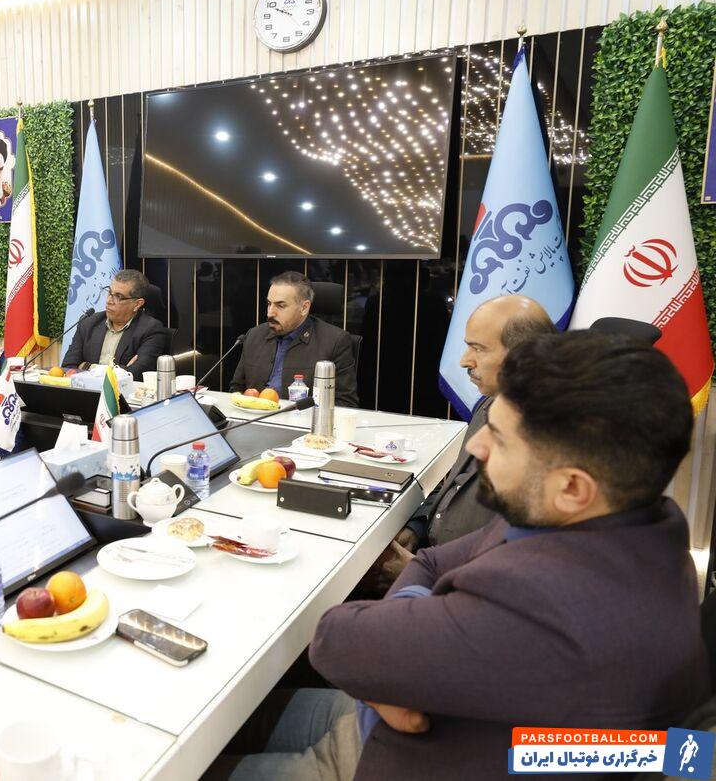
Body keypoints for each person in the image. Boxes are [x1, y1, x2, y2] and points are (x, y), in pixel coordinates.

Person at [215, 331, 707, 780]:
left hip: (396, 757)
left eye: (502, 439)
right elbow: (430, 563)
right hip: (391, 713)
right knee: (238, 718)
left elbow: (335, 641)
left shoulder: (545, 606)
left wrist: (398, 652)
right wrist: (403, 662)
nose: (478, 444)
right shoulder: (634, 522)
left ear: (573, 487)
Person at [367, 295, 557, 591]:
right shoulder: (490, 402)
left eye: (478, 348)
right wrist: (418, 526)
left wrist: (425, 577)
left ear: (523, 354)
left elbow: (519, 568)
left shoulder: (550, 435)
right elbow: (455, 480)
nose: (464, 361)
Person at [229, 271, 358, 407]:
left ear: (304, 308)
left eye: (280, 305)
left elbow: (345, 403)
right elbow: (236, 389)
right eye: (269, 303)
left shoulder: (334, 341)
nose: (270, 313)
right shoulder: (254, 335)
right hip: (254, 416)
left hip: (303, 419)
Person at [61, 269, 168, 380]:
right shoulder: (89, 323)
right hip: (86, 389)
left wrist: (87, 366)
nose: (109, 301)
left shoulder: (151, 330)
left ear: (137, 304)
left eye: (118, 296)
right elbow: (68, 367)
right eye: (109, 293)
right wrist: (121, 370)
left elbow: (138, 373)